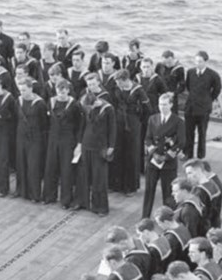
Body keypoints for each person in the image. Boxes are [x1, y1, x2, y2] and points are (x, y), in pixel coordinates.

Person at [76, 75, 116, 215]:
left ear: (95, 103)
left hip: (100, 146)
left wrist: (111, 146)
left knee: (99, 178)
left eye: (89, 107)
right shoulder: (86, 106)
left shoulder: (108, 109)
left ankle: (101, 207)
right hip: (87, 144)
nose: (88, 110)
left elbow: (112, 128)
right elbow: (82, 125)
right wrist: (79, 143)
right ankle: (83, 202)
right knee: (84, 175)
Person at [142, 93, 185, 218]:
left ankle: (168, 217)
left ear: (171, 105)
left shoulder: (178, 121)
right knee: (149, 190)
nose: (162, 107)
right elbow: (148, 138)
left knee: (168, 192)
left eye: (165, 105)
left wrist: (166, 157)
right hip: (153, 160)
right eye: (160, 104)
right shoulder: (153, 119)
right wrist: (153, 153)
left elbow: (181, 142)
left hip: (168, 162)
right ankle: (145, 217)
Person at [46, 80, 82, 208]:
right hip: (53, 138)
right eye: (59, 90)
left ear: (68, 90)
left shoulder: (75, 105)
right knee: (51, 167)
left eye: (64, 90)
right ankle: (50, 196)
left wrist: (78, 143)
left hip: (68, 139)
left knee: (66, 170)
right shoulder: (51, 102)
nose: (61, 93)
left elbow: (79, 125)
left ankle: (66, 200)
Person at [113, 70, 149, 195]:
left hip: (133, 123)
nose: (117, 85)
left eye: (119, 82)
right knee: (118, 151)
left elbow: (147, 109)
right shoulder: (117, 88)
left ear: (125, 80)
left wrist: (138, 121)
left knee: (131, 154)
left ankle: (131, 186)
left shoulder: (138, 90)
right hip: (119, 122)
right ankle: (117, 184)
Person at [14, 78, 49, 201]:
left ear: (30, 88)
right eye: (20, 90)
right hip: (21, 136)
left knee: (33, 166)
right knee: (21, 163)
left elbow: (44, 123)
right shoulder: (18, 101)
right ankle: (22, 191)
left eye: (24, 90)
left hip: (35, 138)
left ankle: (35, 194)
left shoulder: (40, 103)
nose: (22, 93)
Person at [183, 51, 222, 159]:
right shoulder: (190, 72)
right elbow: (188, 86)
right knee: (188, 132)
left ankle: (200, 156)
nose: (197, 64)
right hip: (190, 107)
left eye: (200, 61)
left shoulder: (213, 75)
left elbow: (217, 89)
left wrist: (208, 99)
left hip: (203, 109)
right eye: (196, 61)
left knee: (202, 133)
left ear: (205, 61)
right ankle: (188, 154)